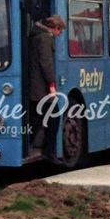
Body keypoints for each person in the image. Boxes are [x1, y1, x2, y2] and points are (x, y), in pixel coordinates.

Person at [28, 15, 65, 163]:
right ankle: (49, 153)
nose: (59, 34)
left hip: (34, 87)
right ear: (55, 28)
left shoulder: (34, 35)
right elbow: (46, 63)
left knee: (37, 118)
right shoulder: (45, 38)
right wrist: (51, 85)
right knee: (54, 118)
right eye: (60, 31)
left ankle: (33, 145)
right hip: (41, 89)